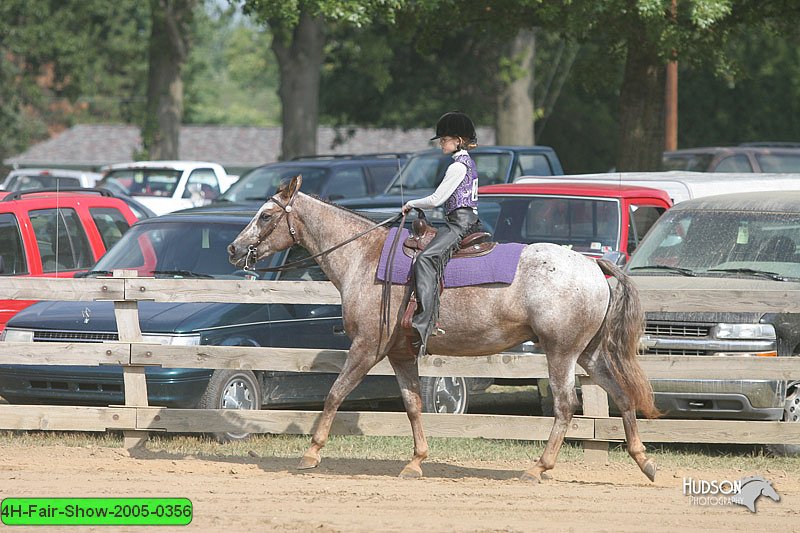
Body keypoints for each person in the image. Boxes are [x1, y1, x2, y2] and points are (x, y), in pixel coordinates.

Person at [401, 111, 482, 356]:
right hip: (463, 219)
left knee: (426, 259)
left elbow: (437, 199)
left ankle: (425, 321)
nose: (440, 144)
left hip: (461, 223)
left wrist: (412, 203)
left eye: (444, 139)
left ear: (458, 140)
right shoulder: (464, 163)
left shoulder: (458, 166)